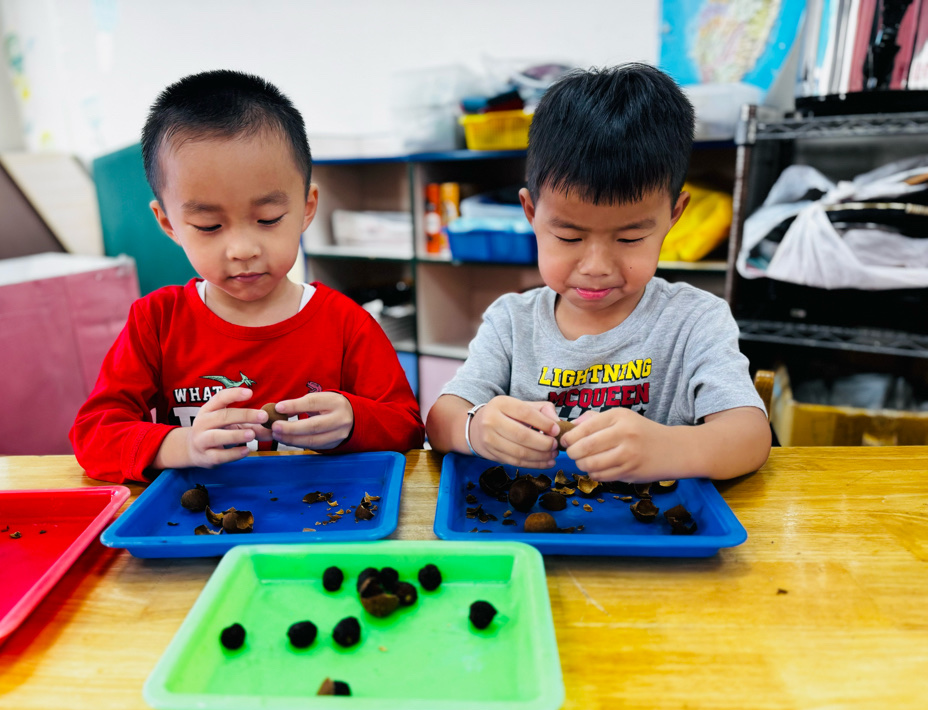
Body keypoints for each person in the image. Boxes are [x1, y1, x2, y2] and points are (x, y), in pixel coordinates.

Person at [71, 70, 424, 483]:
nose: (242, 249)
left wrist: (353, 421)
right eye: (209, 226)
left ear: (307, 208)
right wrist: (181, 445)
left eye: (268, 218)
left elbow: (408, 426)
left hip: (323, 512)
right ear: (168, 224)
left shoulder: (346, 323)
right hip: (198, 514)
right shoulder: (157, 322)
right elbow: (93, 435)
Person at [426, 64, 770, 481]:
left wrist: (671, 447)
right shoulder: (512, 323)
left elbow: (751, 436)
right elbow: (440, 421)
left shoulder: (695, 320)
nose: (596, 268)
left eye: (629, 239)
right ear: (531, 213)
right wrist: (476, 427)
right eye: (569, 237)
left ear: (673, 216)